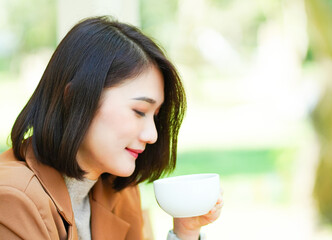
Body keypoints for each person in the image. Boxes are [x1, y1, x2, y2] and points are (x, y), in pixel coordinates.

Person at [0, 16, 223, 240]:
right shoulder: (12, 199)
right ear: (75, 99)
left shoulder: (119, 190)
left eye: (155, 116)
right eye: (139, 111)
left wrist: (185, 231)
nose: (152, 135)